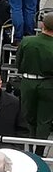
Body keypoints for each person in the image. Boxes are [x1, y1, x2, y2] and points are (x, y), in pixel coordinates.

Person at [15, 9, 53, 140]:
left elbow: (18, 64)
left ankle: (28, 146)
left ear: (42, 25)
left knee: (27, 117)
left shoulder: (27, 41)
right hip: (49, 84)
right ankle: (40, 150)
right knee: (45, 120)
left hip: (28, 82)